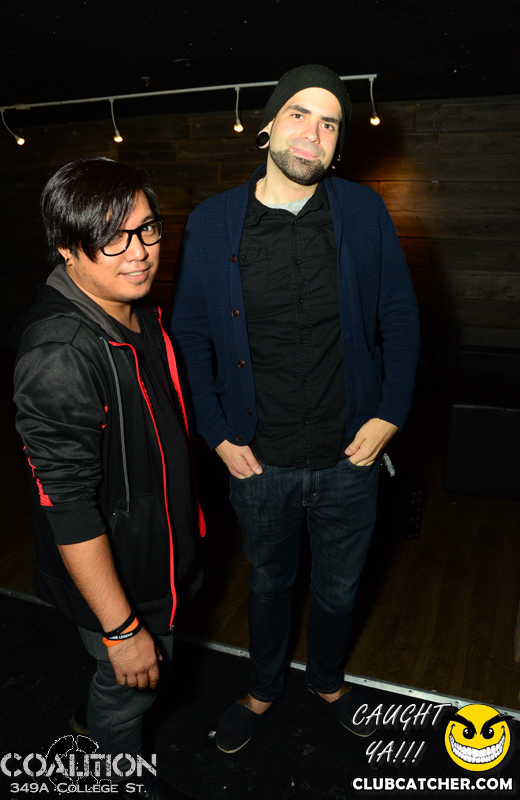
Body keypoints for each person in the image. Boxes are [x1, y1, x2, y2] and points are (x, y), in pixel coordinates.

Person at [171, 64, 420, 753]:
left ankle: (329, 681)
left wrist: (389, 414)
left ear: (338, 145)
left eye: (329, 123)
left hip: (350, 456)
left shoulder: (363, 213)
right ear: (268, 126)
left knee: (340, 589)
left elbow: (400, 317)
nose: (313, 132)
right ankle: (261, 687)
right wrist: (216, 433)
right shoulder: (213, 221)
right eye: (299, 114)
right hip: (257, 460)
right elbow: (189, 334)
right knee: (268, 586)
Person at [12, 157, 204, 799]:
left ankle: (95, 716)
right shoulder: (60, 353)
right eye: (111, 238)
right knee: (128, 697)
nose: (139, 252)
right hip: (121, 586)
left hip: (156, 556)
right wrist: (121, 632)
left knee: (125, 689)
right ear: (68, 248)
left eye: (146, 229)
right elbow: (67, 508)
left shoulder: (136, 310)